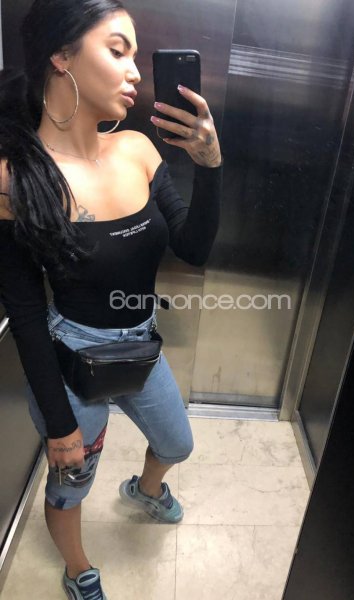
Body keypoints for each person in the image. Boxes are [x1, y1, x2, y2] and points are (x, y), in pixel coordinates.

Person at [0, 1, 222, 598]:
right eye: (118, 50)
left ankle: (145, 490)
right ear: (61, 55)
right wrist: (60, 427)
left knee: (177, 443)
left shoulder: (138, 149)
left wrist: (210, 165)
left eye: (135, 56)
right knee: (71, 480)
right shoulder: (17, 178)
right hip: (72, 356)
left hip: (141, 344)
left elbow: (194, 248)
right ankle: (79, 571)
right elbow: (25, 311)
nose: (135, 72)